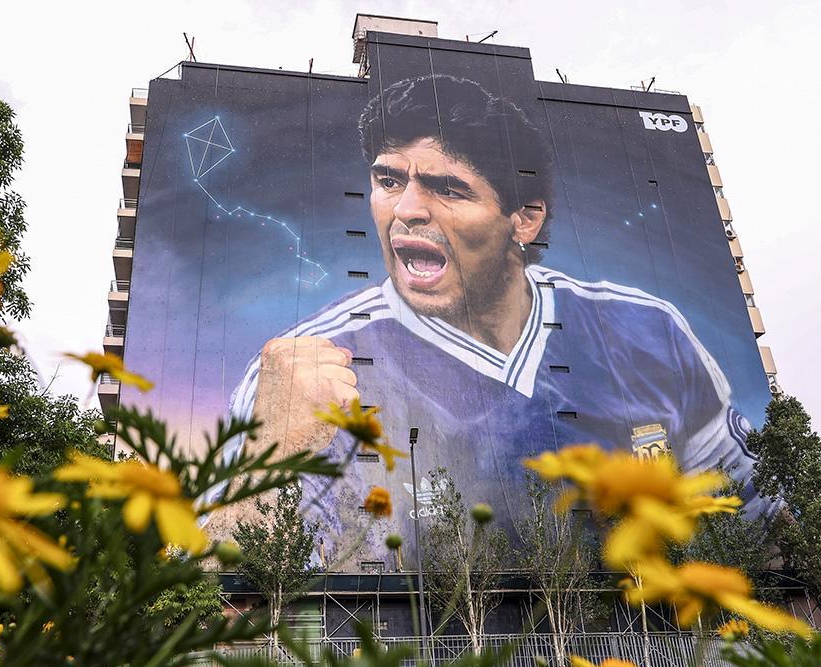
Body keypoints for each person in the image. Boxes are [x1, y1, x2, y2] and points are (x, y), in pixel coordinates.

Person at [226, 74, 762, 562]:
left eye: (447, 187)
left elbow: (755, 525)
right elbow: (202, 591)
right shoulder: (300, 367)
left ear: (524, 220)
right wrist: (269, 456)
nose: (407, 210)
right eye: (389, 181)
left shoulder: (647, 331)